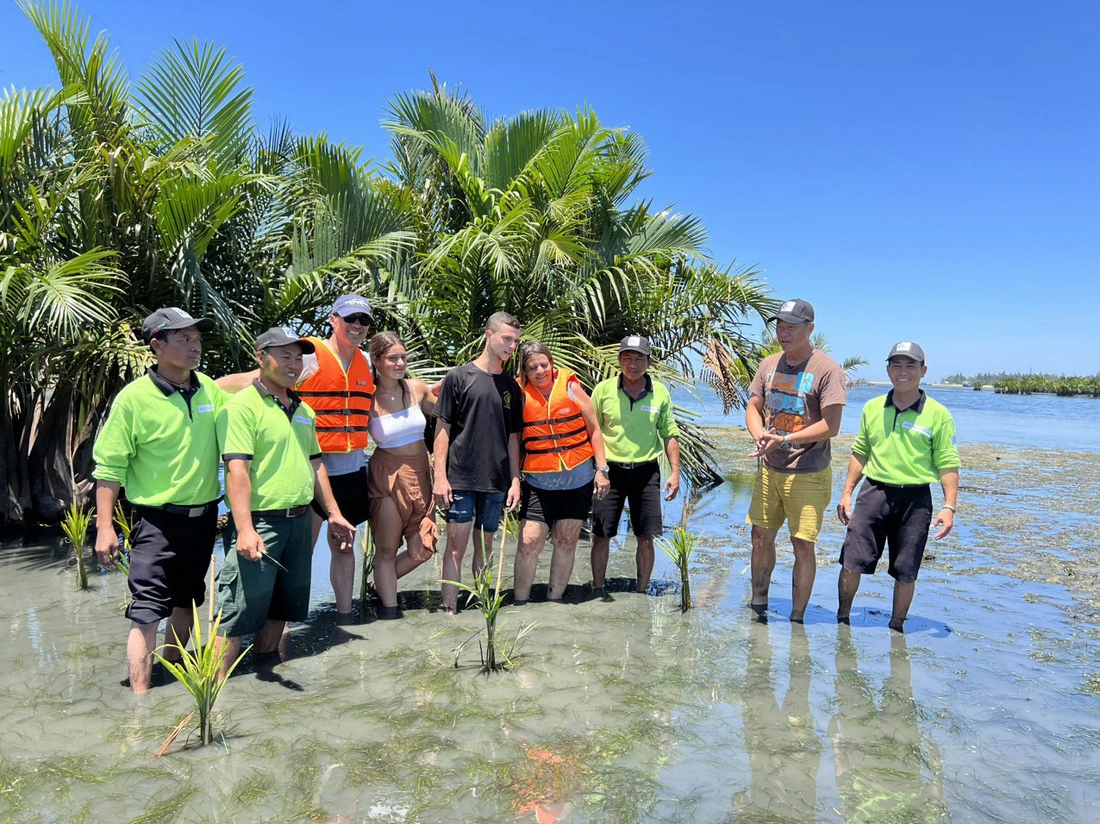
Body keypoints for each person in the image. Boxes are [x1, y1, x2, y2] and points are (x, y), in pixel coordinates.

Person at [217, 294, 375, 621]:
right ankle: (281, 629)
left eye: (364, 321)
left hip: (353, 468)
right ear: (333, 319)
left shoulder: (367, 362)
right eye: (350, 319)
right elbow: (245, 381)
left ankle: (344, 616)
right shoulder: (308, 356)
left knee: (345, 547)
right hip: (313, 469)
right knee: (300, 552)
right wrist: (199, 390)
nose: (357, 326)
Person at [92, 307, 225, 693]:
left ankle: (172, 672)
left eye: (196, 338)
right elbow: (109, 468)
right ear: (156, 345)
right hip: (155, 521)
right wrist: (105, 527)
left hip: (204, 517)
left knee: (187, 602)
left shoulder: (208, 389)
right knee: (148, 611)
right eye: (182, 338)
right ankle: (140, 702)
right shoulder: (134, 399)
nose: (193, 346)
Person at [214, 327, 356, 675]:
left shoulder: (303, 409)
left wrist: (334, 514)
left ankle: (265, 668)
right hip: (261, 523)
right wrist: (245, 529)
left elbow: (315, 464)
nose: (293, 364)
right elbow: (237, 471)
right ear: (261, 358)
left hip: (299, 521)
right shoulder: (242, 406)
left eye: (298, 357)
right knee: (235, 613)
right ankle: (213, 694)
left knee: (283, 607)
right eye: (284, 355)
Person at [835, 341, 959, 632]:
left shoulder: (938, 414)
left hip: (916, 499)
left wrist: (949, 506)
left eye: (910, 365)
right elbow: (860, 451)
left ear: (923, 370)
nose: (902, 372)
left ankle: (897, 627)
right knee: (852, 561)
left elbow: (948, 463)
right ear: (888, 369)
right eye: (896, 365)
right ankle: (842, 620)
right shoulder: (872, 408)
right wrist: (847, 492)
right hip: (874, 492)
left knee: (906, 570)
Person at [745, 299, 847, 622]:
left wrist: (786, 439)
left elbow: (831, 425)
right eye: (780, 326)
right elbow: (753, 405)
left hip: (807, 472)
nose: (784, 333)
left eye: (791, 327)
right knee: (760, 537)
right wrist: (760, 433)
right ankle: (758, 605)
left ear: (810, 328)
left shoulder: (827, 370)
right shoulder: (769, 365)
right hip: (768, 468)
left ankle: (797, 617)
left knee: (802, 544)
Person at [433, 312, 524, 614]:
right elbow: (442, 430)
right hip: (460, 478)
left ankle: (483, 611)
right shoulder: (458, 377)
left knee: (484, 550)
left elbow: (513, 436)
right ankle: (450, 613)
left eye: (516, 341)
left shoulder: (511, 386)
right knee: (455, 549)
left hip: (496, 481)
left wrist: (514, 480)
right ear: (489, 335)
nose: (511, 346)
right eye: (507, 339)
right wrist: (439, 477)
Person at [512, 342, 610, 604]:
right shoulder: (518, 393)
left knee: (566, 539)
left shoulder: (570, 386)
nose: (540, 370)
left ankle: (555, 601)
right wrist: (513, 478)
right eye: (533, 367)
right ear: (525, 370)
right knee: (529, 540)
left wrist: (602, 470)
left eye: (544, 364)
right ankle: (520, 602)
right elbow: (513, 438)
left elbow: (595, 430)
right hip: (538, 481)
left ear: (552, 363)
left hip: (577, 480)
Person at [590, 334, 681, 597]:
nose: (632, 364)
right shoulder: (603, 390)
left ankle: (641, 592)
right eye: (627, 357)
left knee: (646, 536)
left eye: (638, 358)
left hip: (646, 473)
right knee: (602, 533)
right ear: (619, 359)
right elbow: (593, 432)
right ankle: (598, 589)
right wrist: (599, 469)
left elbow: (669, 433)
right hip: (610, 472)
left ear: (649, 362)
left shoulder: (660, 392)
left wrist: (674, 473)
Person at [366, 332, 439, 618]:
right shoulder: (368, 398)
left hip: (422, 472)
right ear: (377, 360)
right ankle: (389, 613)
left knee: (424, 548)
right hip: (386, 475)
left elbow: (449, 417)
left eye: (403, 357)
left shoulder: (417, 388)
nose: (400, 363)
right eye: (392, 358)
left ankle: (378, 585)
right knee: (385, 549)